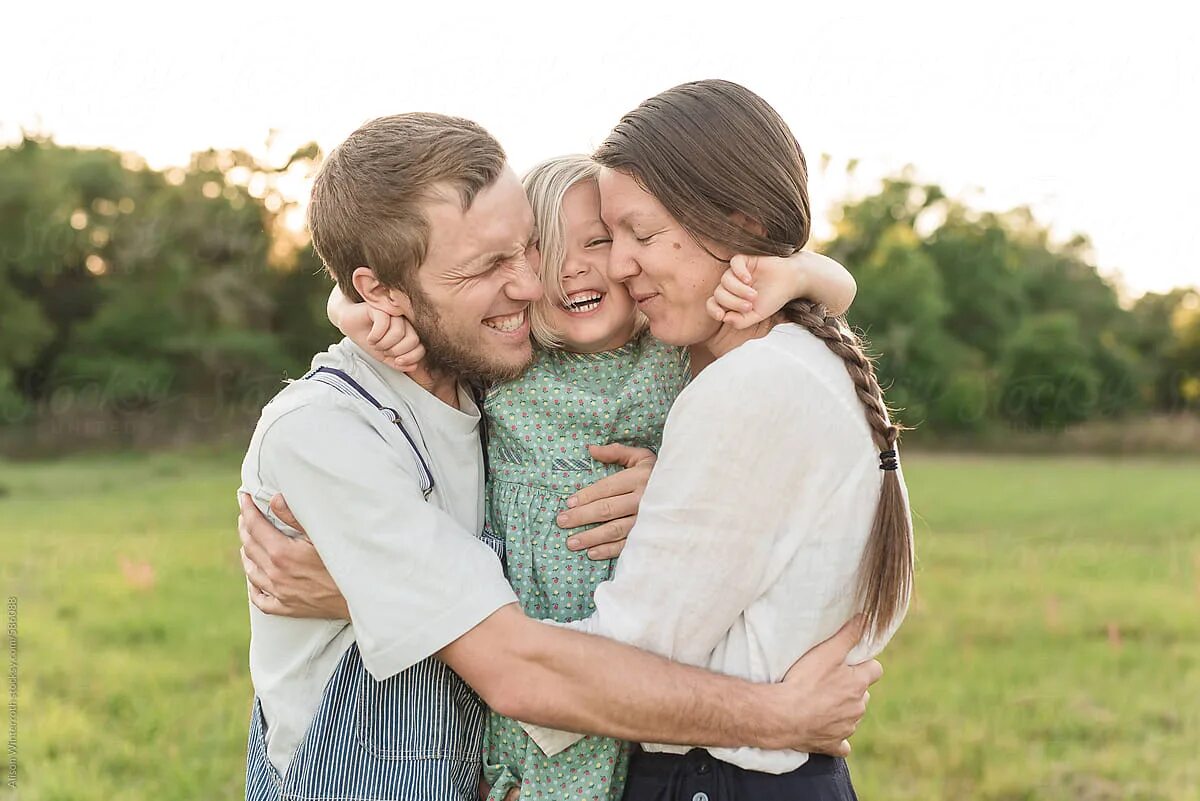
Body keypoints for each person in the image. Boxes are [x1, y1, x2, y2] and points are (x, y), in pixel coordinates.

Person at [236, 112, 879, 801]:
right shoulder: (330, 433)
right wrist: (782, 715)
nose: (533, 283)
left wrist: (678, 492)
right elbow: (519, 670)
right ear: (382, 291)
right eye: (490, 264)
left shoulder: (492, 374)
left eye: (525, 250)